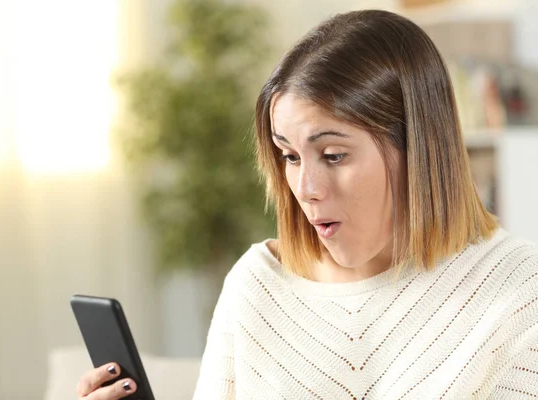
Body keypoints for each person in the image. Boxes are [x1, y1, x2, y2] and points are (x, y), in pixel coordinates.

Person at [76, 9, 538, 400]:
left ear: (419, 147)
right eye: (290, 156)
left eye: (333, 155)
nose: (305, 187)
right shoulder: (257, 285)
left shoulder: (517, 289)